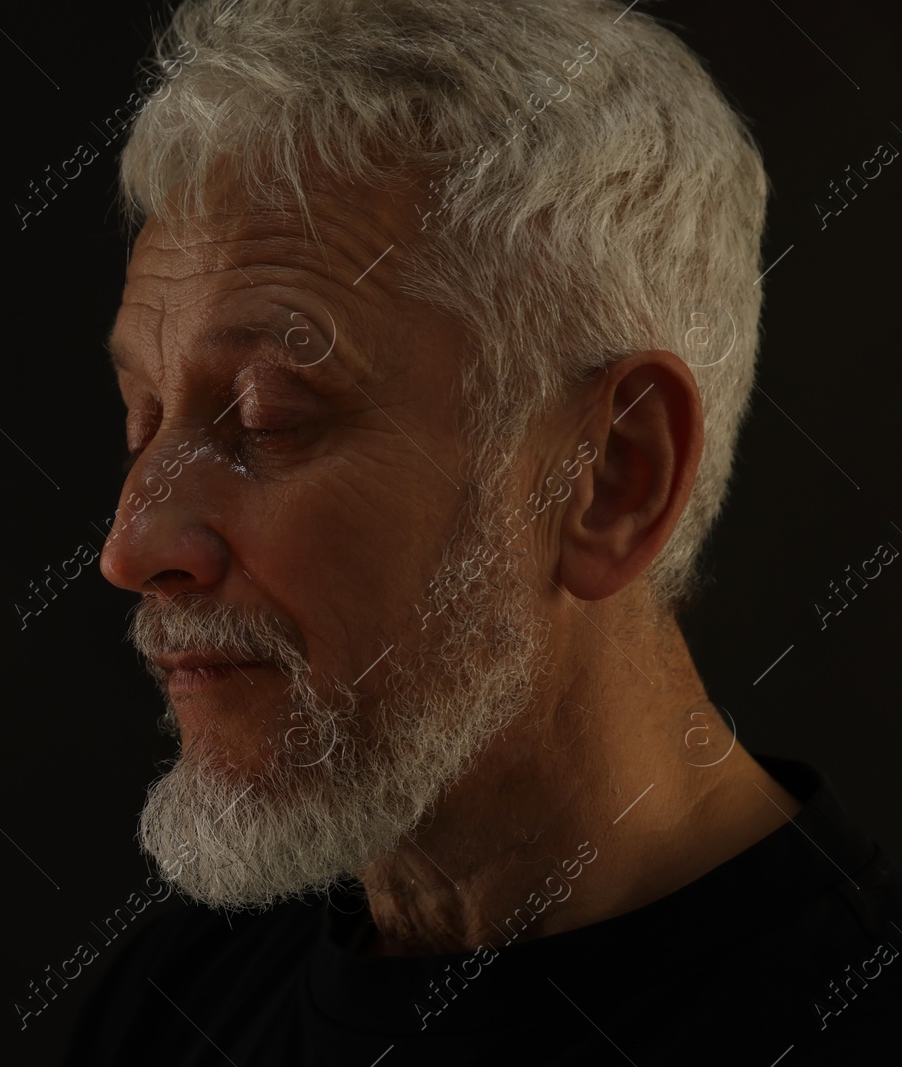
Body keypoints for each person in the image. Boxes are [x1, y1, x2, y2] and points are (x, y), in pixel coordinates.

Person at [67, 0, 901, 1062]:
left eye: (268, 418)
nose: (131, 547)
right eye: (143, 420)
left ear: (611, 478)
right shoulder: (173, 998)